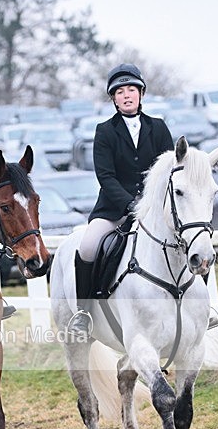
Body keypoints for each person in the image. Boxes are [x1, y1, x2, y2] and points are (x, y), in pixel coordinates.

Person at [67, 62, 174, 335]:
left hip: (155, 209)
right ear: (113, 98)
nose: (126, 95)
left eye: (131, 90)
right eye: (120, 91)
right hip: (114, 208)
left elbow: (169, 170)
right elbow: (105, 176)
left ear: (141, 94)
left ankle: (201, 308)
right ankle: (84, 312)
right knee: (88, 246)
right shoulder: (105, 131)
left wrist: (153, 204)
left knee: (190, 242)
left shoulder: (159, 128)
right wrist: (130, 204)